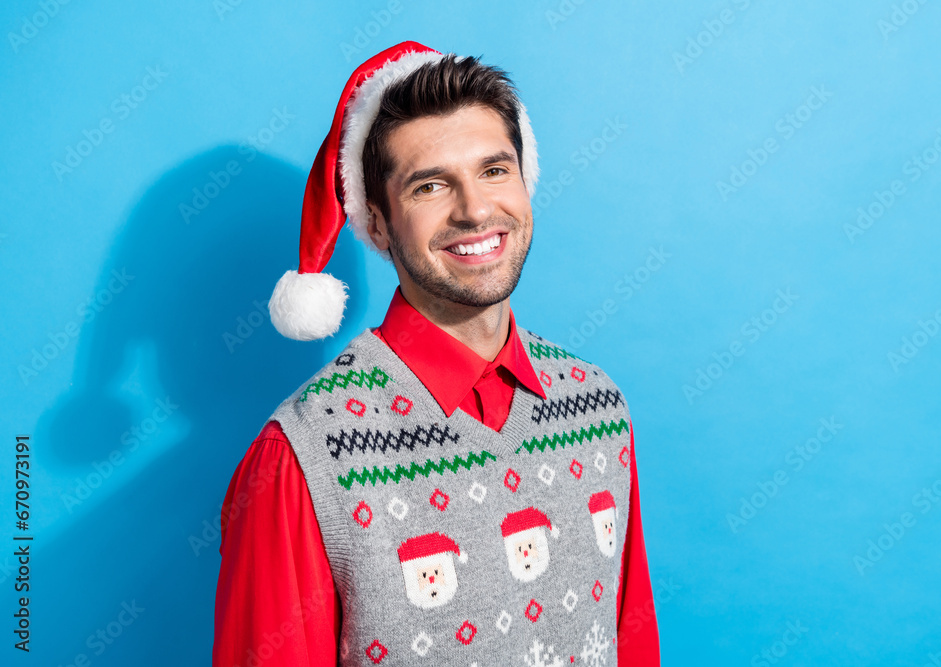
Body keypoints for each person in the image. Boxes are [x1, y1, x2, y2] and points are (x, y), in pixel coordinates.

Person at [212, 40, 660, 666]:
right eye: (429, 186)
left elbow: (630, 640)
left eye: (494, 170)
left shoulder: (597, 406)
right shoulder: (302, 456)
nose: (476, 210)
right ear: (379, 219)